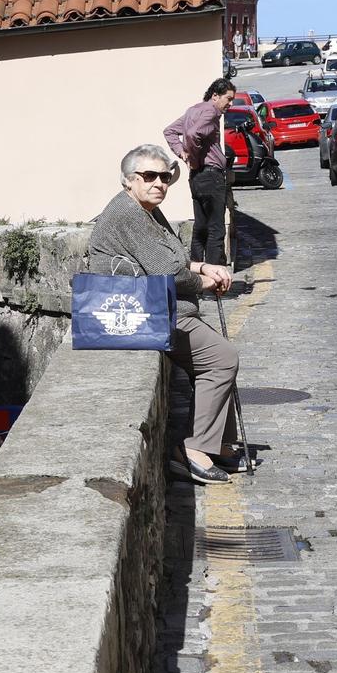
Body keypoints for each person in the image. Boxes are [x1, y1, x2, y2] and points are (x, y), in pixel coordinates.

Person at [87, 145, 242, 484]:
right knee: (221, 358)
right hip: (148, 312)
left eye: (165, 176)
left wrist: (203, 265)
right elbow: (168, 272)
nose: (160, 183)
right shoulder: (128, 214)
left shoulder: (145, 209)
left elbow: (174, 258)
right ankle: (193, 450)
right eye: (149, 176)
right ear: (129, 180)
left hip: (158, 307)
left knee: (216, 355)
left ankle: (221, 444)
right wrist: (203, 281)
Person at [164, 78, 237, 265]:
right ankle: (211, 282)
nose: (230, 104)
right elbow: (191, 134)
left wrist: (183, 153)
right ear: (215, 96)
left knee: (201, 228)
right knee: (216, 229)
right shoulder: (211, 111)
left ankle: (196, 277)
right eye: (228, 99)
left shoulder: (193, 110)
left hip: (197, 178)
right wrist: (193, 159)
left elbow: (169, 131)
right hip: (210, 176)